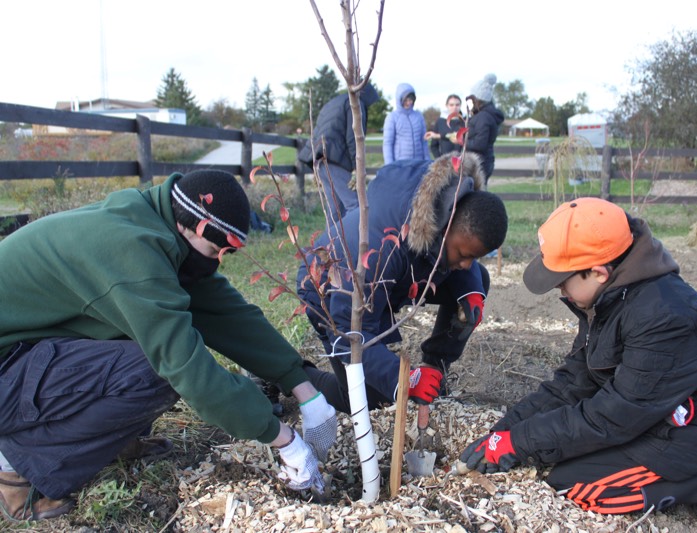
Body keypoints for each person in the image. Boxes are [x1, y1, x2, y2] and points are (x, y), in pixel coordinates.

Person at [0, 170, 338, 522]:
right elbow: (188, 370)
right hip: (6, 365)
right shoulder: (133, 256)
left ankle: (111, 439)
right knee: (154, 370)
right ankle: (14, 466)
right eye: (215, 250)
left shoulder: (157, 223)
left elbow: (228, 314)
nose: (216, 262)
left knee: (142, 333)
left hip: (28, 345)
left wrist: (303, 389)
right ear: (198, 228)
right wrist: (283, 439)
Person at [459, 198, 697, 528]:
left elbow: (614, 417)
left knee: (577, 487)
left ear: (599, 272)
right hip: (651, 409)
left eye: (562, 280)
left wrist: (521, 442)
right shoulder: (608, 296)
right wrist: (507, 429)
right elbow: (575, 381)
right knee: (555, 453)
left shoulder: (662, 315)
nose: (559, 289)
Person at [296, 153, 508, 412]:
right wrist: (405, 378)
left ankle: (434, 368)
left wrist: (471, 291)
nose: (466, 264)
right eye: (464, 255)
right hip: (330, 290)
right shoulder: (377, 251)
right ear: (445, 227)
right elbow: (349, 336)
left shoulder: (444, 215)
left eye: (474, 257)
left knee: (475, 282)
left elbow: (464, 263)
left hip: (386, 282)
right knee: (368, 400)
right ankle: (291, 375)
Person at [298, 83, 380, 227]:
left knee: (335, 210)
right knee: (355, 204)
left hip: (320, 159)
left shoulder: (335, 102)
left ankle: (332, 247)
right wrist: (357, 168)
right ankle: (356, 244)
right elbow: (354, 138)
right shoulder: (355, 104)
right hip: (335, 159)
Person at [461, 74, 504, 184]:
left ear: (477, 99)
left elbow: (480, 144)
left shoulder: (483, 118)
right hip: (483, 162)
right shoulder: (482, 115)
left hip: (479, 164)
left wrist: (461, 141)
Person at [382, 83, 430, 164]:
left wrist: (427, 161)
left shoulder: (419, 116)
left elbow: (424, 141)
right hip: (400, 164)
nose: (408, 103)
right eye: (405, 100)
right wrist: (389, 165)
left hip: (419, 163)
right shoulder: (392, 117)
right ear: (399, 100)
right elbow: (388, 143)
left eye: (410, 100)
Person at [424, 94, 465, 158]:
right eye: (451, 105)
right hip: (445, 162)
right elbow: (434, 145)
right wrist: (440, 159)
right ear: (447, 106)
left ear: (460, 105)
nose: (454, 107)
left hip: (462, 162)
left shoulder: (465, 121)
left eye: (457, 105)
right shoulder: (440, 122)